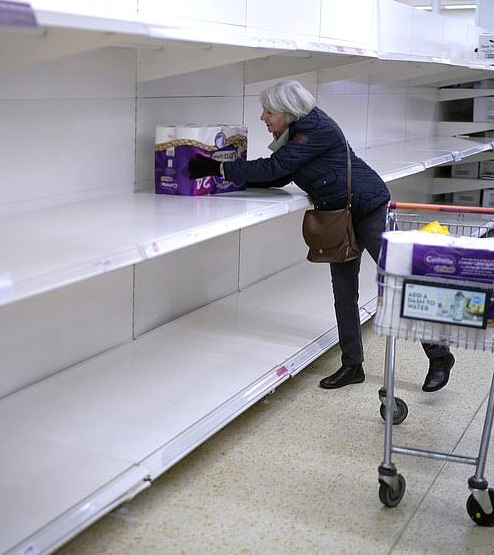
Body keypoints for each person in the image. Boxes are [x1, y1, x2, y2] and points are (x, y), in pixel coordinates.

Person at [187, 80, 455, 391]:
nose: (263, 117)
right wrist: (233, 181)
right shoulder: (292, 135)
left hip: (369, 207)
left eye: (268, 111)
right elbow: (280, 174)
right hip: (337, 217)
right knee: (344, 292)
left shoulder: (315, 127)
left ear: (288, 111)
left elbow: (275, 166)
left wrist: (217, 169)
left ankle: (439, 355)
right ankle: (352, 364)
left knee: (399, 280)